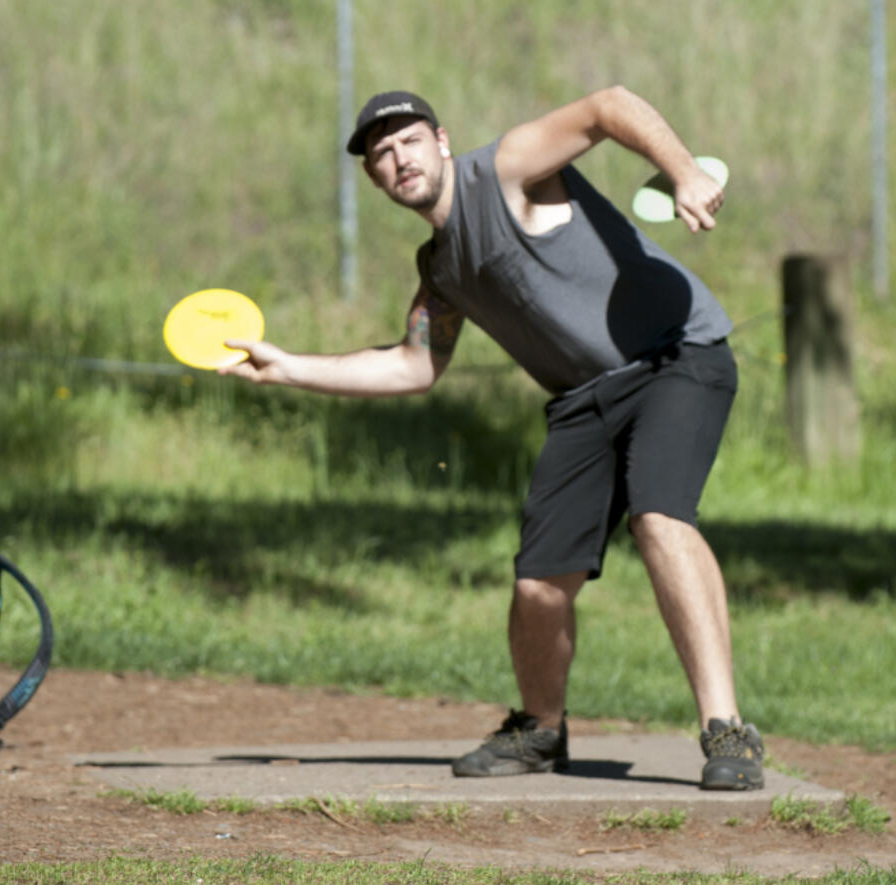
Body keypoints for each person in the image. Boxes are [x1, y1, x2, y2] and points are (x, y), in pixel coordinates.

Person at [220, 87, 764, 790]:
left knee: (659, 519)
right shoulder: (441, 267)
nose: (397, 157)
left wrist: (685, 171)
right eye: (381, 154)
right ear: (376, 180)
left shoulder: (505, 169)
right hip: (582, 400)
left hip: (675, 357)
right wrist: (289, 366)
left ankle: (728, 731)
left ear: (441, 142)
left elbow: (608, 106)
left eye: (408, 140)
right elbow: (414, 365)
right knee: (539, 585)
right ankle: (540, 729)